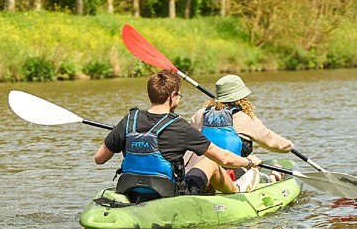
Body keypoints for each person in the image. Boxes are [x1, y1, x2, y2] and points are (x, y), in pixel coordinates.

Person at [94, 70, 262, 201]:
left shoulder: (129, 120)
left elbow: (99, 159)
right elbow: (224, 158)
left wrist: (119, 134)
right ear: (172, 97)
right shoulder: (180, 126)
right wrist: (249, 162)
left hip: (129, 188)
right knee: (210, 161)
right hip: (169, 192)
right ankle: (237, 190)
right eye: (179, 95)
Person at [186, 74, 293, 192]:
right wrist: (290, 146)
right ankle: (273, 176)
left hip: (203, 172)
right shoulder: (245, 118)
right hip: (232, 174)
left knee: (252, 161)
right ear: (242, 98)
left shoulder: (199, 114)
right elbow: (272, 142)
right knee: (268, 168)